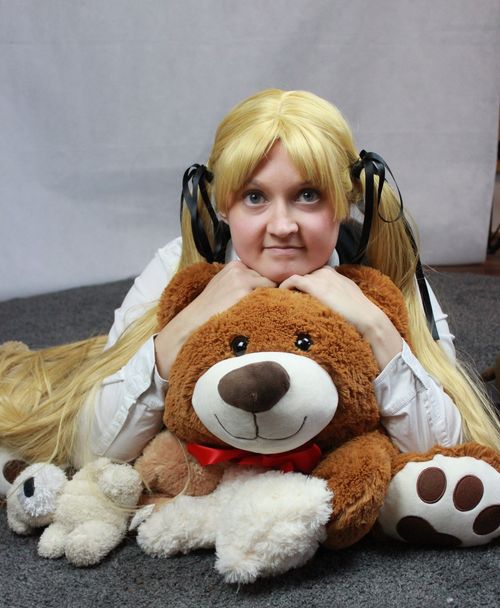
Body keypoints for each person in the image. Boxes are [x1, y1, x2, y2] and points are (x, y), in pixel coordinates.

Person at [1, 89, 499, 473]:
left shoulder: (381, 263)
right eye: (255, 198)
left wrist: (373, 325)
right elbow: (96, 448)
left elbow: (449, 452)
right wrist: (192, 317)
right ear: (223, 206)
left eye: (308, 195)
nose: (282, 226)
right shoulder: (178, 262)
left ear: (344, 202)